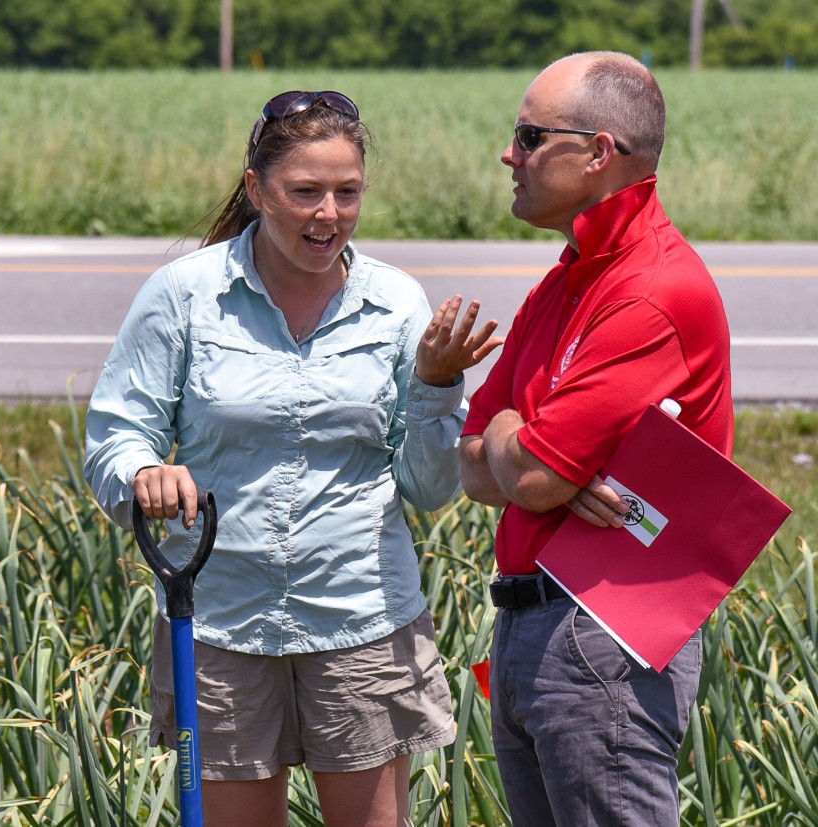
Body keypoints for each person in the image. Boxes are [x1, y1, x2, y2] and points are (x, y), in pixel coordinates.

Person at [84, 90, 501, 827]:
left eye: (348, 192)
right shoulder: (186, 294)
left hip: (362, 616)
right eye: (305, 191)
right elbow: (116, 439)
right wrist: (143, 474)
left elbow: (429, 489)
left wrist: (437, 386)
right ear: (256, 189)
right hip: (219, 619)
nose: (329, 214)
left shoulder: (397, 304)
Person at [459, 52, 733, 826]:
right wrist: (520, 451)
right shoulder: (570, 277)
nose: (509, 154)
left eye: (530, 135)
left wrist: (516, 438)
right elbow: (472, 459)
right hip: (530, 628)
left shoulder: (650, 291)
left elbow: (531, 474)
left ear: (598, 153)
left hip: (598, 634)